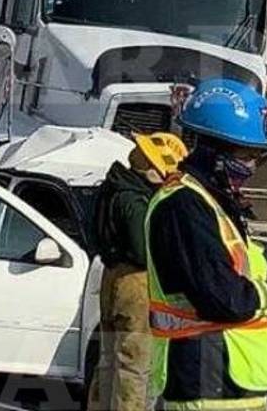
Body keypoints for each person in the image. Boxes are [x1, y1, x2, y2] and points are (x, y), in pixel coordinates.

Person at [146, 78, 267, 411]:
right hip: (207, 384)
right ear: (213, 150)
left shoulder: (215, 205)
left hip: (238, 385)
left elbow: (246, 289)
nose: (252, 165)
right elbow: (224, 299)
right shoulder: (184, 206)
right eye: (247, 154)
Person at [88, 132, 187, 411]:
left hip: (114, 277)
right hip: (137, 285)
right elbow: (144, 250)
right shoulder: (133, 198)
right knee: (135, 366)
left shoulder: (115, 187)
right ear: (155, 168)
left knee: (110, 361)